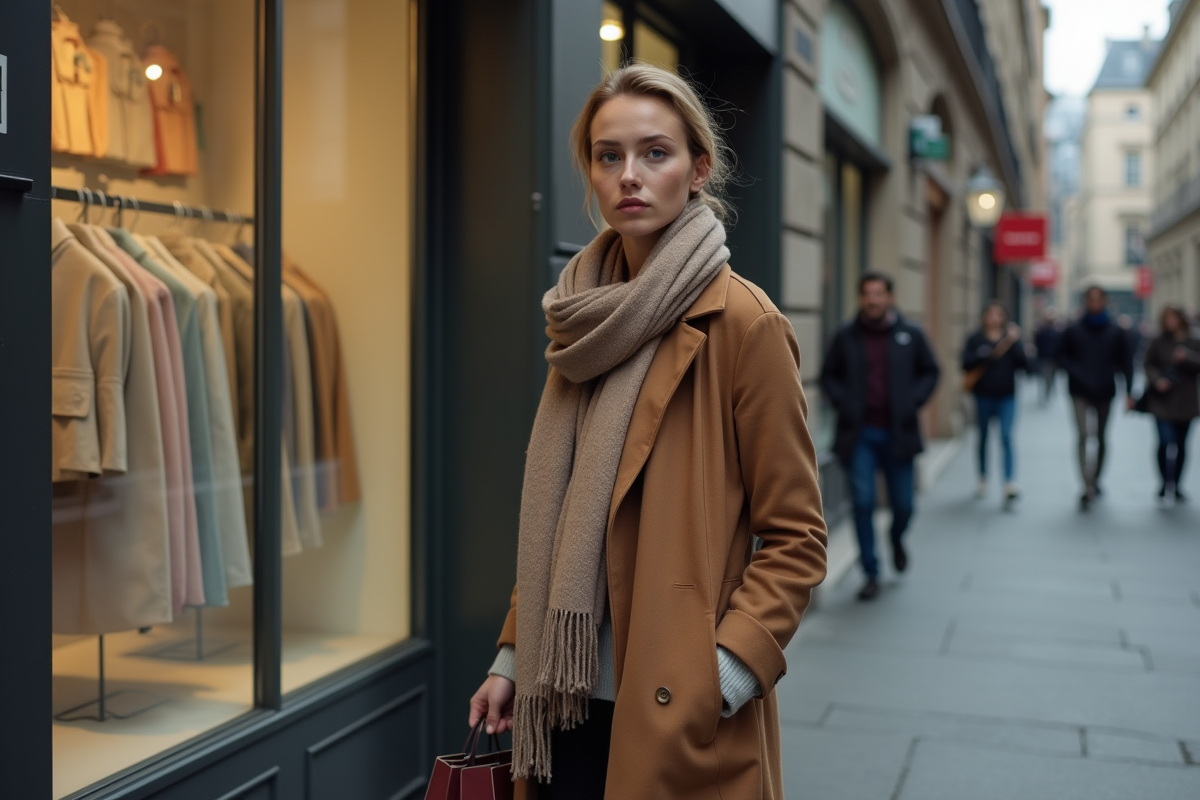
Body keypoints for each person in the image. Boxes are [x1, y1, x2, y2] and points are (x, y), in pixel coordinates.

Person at [466, 63, 828, 800]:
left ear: (698, 170)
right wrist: (512, 656)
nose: (629, 174)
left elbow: (797, 536)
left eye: (654, 153)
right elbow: (561, 517)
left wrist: (724, 674)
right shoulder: (582, 320)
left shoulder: (743, 323)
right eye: (609, 156)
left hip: (672, 709)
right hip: (560, 696)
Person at [820, 273, 940, 601]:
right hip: (859, 434)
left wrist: (911, 401)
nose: (872, 299)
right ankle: (870, 572)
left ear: (890, 297)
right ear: (860, 298)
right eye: (867, 294)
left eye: (878, 293)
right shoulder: (846, 335)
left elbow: (931, 371)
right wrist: (844, 403)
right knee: (863, 503)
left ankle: (896, 538)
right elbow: (829, 376)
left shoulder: (909, 334)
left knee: (904, 505)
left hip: (898, 433)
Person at [1055, 286, 1134, 509]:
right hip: (1079, 390)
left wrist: (1129, 391)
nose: (1094, 303)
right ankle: (1086, 484)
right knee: (1082, 435)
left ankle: (1096, 478)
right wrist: (1076, 372)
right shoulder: (1073, 330)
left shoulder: (1116, 331)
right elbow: (1061, 356)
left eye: (1098, 299)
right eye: (1091, 299)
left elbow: (1126, 362)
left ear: (1105, 302)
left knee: (1101, 437)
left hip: (1105, 390)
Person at [962, 301, 1028, 503]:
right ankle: (983, 477)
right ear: (984, 317)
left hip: (1006, 396)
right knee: (982, 437)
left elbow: (1026, 366)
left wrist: (1015, 343)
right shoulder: (975, 339)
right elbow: (965, 363)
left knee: (1006, 436)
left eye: (998, 314)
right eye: (990, 314)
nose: (994, 318)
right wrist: (984, 354)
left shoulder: (1011, 340)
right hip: (983, 396)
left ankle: (1009, 482)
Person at [1142, 305, 1200, 502]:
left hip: (1185, 399)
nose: (1170, 322)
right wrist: (1157, 380)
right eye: (1167, 318)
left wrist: (1186, 357)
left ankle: (1176, 484)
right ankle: (1164, 481)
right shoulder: (1158, 341)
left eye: (1173, 318)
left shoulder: (1193, 341)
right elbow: (1148, 363)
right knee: (1165, 441)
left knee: (1181, 444)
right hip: (1162, 400)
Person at [1033, 308, 1063, 405]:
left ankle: (1047, 393)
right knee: (1049, 377)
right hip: (1051, 358)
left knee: (1046, 376)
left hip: (1045, 358)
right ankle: (1048, 392)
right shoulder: (1057, 333)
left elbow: (1036, 343)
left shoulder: (1041, 332)